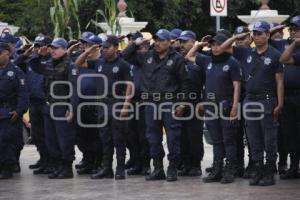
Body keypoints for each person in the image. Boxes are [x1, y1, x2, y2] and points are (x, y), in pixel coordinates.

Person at [219, 21, 284, 186]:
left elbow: (279, 81)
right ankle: (258, 169)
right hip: (250, 99)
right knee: (253, 139)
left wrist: (280, 103)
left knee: (269, 138)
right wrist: (236, 37)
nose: (257, 36)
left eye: (260, 33)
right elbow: (222, 48)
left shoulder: (275, 55)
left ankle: (269, 171)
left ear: (268, 35)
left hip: (267, 100)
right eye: (254, 34)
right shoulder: (247, 52)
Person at [122, 29, 190, 182]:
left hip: (169, 102)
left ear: (169, 42)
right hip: (151, 103)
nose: (158, 43)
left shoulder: (177, 59)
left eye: (161, 40)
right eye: (156, 40)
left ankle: (172, 168)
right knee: (152, 137)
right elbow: (124, 56)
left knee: (173, 137)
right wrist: (135, 43)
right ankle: (158, 168)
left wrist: (182, 104)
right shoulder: (147, 56)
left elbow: (185, 84)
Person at [186, 31, 242, 184]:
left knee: (228, 140)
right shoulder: (207, 60)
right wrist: (200, 45)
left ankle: (230, 169)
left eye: (218, 44)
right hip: (210, 107)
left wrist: (235, 107)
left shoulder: (232, 62)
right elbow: (188, 56)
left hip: (226, 106)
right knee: (216, 141)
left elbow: (237, 86)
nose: (215, 48)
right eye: (213, 45)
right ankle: (217, 169)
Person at [83, 35, 133, 180]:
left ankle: (120, 169)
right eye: (103, 47)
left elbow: (130, 86)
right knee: (105, 138)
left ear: (116, 48)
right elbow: (79, 62)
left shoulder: (123, 64)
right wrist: (89, 50)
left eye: (107, 47)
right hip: (102, 105)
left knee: (119, 138)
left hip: (117, 103)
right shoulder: (99, 62)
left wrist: (125, 106)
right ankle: (107, 168)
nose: (104, 50)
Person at [29, 38, 78, 179]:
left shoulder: (70, 65)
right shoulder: (49, 63)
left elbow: (74, 90)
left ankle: (67, 168)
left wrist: (72, 108)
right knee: (51, 140)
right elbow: (34, 66)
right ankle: (57, 166)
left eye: (56, 48)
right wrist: (39, 54)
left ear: (64, 49)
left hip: (62, 107)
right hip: (49, 107)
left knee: (65, 139)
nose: (53, 51)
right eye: (52, 48)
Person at [14, 35, 52, 175]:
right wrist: (24, 54)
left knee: (49, 135)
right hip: (34, 103)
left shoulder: (51, 62)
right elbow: (14, 65)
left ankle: (51, 161)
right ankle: (43, 159)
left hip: (46, 103)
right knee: (37, 135)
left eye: (40, 46)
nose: (37, 49)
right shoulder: (31, 61)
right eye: (35, 46)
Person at [270, 16, 300, 178]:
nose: (294, 31)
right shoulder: (283, 43)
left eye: (297, 29)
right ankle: (294, 167)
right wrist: (276, 29)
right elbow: (263, 39)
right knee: (289, 134)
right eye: (292, 29)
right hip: (287, 96)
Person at [74, 35, 103, 175]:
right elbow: (76, 63)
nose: (85, 47)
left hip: (97, 104)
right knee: (82, 136)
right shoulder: (84, 62)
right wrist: (85, 52)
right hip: (82, 104)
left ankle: (98, 162)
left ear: (97, 47)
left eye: (89, 45)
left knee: (96, 137)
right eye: (84, 45)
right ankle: (88, 160)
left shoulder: (102, 62)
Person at [177, 30, 205, 177]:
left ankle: (195, 165)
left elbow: (208, 82)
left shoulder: (201, 59)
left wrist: (203, 101)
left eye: (185, 41)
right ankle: (185, 164)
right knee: (181, 136)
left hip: (195, 103)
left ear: (194, 42)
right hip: (180, 104)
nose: (181, 44)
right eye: (180, 42)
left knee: (194, 136)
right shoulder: (177, 59)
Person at [0, 42, 29, 179]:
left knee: (7, 141)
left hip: (9, 111)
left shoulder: (16, 72)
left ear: (7, 53)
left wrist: (19, 111)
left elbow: (23, 93)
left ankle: (7, 167)